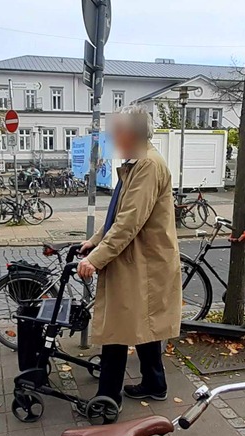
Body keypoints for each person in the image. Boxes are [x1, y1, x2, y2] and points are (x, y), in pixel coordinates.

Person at [77, 105, 182, 408]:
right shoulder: (136, 163)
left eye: (116, 133)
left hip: (143, 262)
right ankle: (155, 383)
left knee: (118, 326)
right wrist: (94, 241)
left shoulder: (147, 166)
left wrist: (95, 259)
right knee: (143, 322)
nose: (112, 139)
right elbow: (119, 216)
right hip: (141, 259)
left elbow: (128, 222)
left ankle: (108, 397)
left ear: (131, 134)